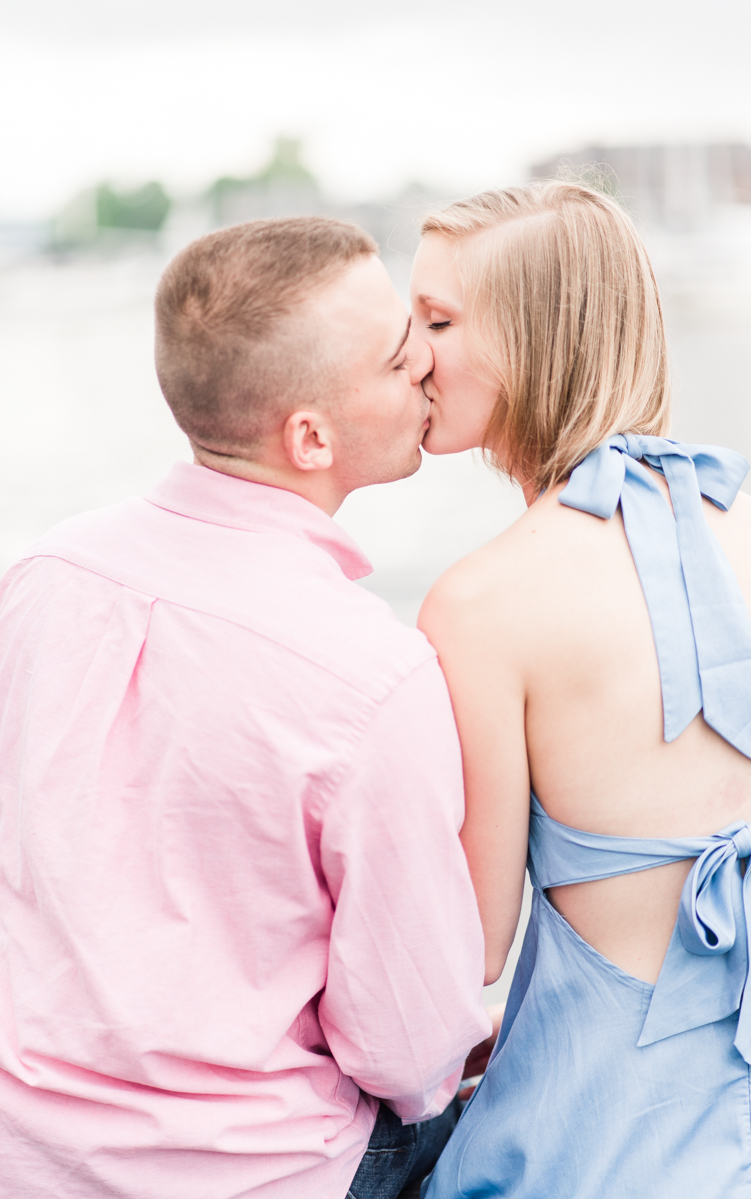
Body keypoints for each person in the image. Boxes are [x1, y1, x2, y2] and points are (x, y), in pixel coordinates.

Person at [0, 216, 492, 1199]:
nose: (427, 372)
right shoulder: (375, 676)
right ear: (308, 436)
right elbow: (405, 1050)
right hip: (255, 1169)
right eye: (401, 357)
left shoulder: (41, 575)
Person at [408, 181, 751, 1198]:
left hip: (600, 1132)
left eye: (438, 320)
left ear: (535, 338)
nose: (407, 351)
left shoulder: (481, 601)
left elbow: (470, 944)